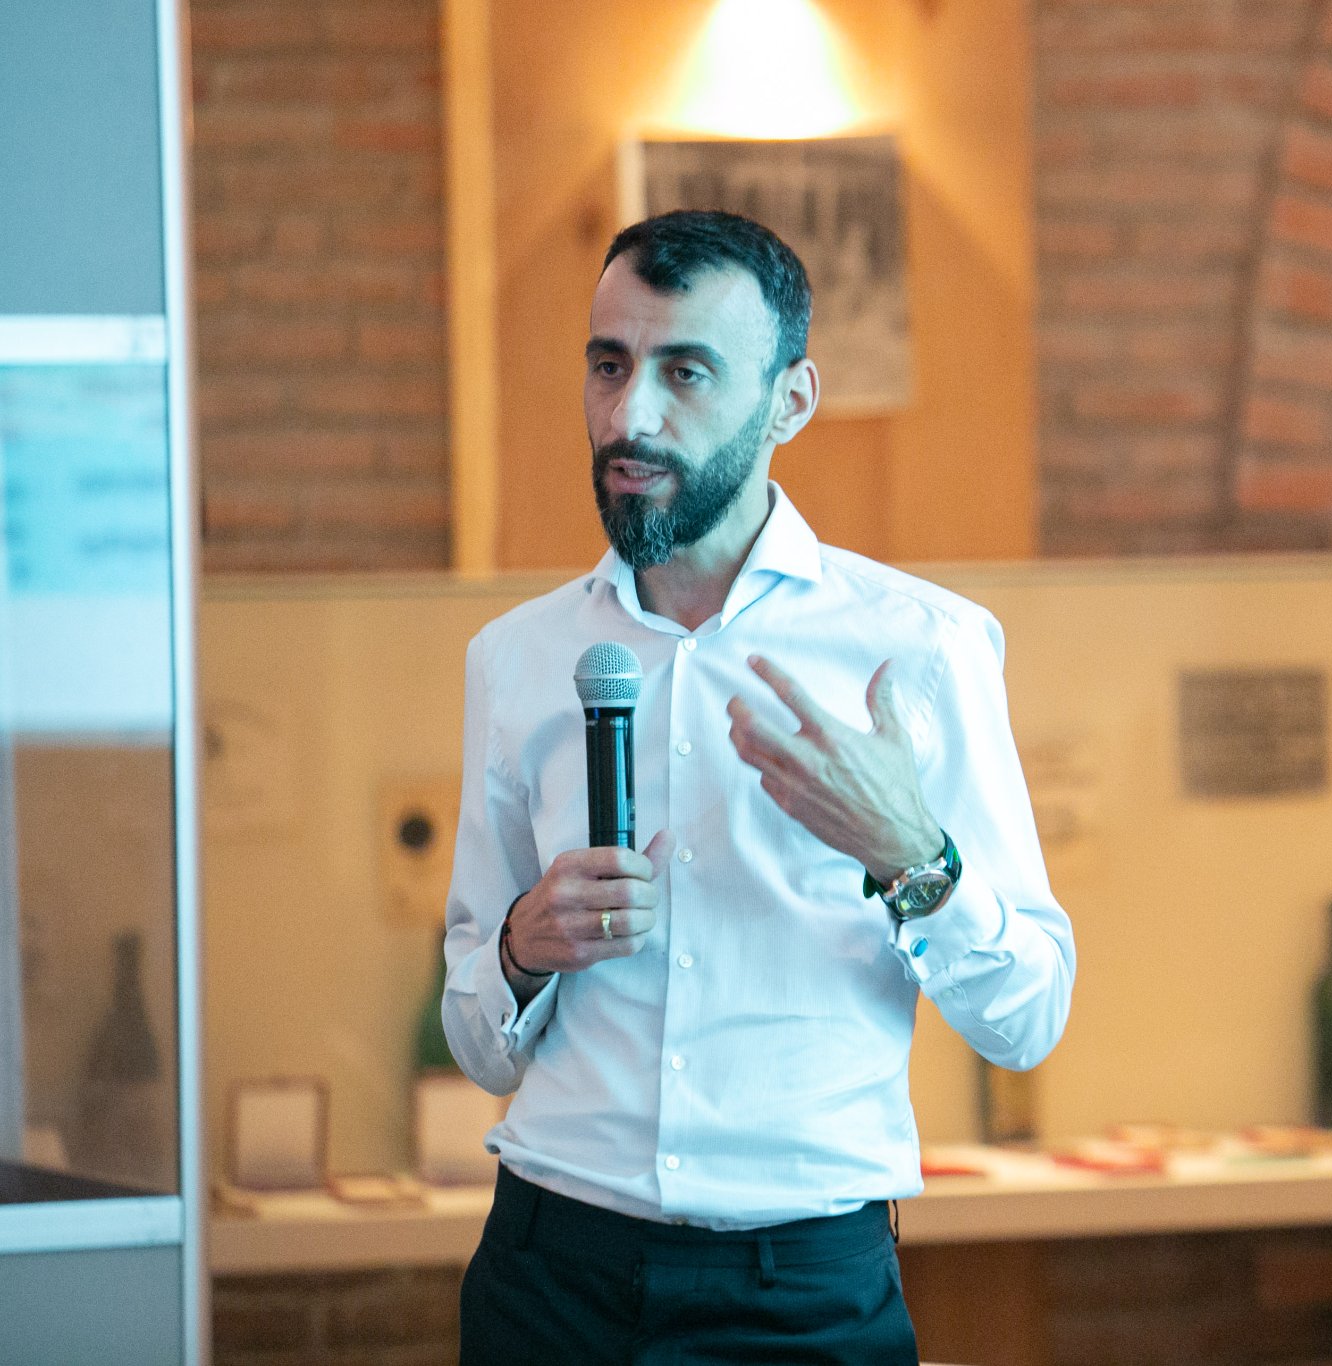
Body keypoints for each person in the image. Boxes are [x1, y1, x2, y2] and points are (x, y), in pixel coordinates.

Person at [441, 209, 1076, 1364]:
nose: (630, 416)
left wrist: (910, 855)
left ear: (790, 400)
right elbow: (478, 1044)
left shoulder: (919, 649)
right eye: (608, 365)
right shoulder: (515, 660)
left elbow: (1026, 1018)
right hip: (547, 1276)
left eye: (685, 372)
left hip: (802, 1292)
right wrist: (525, 946)